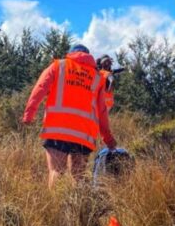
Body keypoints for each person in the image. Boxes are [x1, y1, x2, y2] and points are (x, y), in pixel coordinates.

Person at [22, 44, 117, 186]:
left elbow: (40, 89)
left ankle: (56, 207)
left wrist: (28, 115)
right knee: (78, 176)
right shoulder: (97, 78)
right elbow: (102, 111)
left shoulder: (58, 66)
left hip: (58, 130)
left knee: (56, 171)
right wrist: (108, 139)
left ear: (71, 54)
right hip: (84, 134)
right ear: (88, 57)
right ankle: (79, 207)